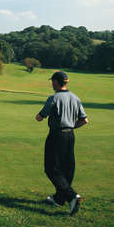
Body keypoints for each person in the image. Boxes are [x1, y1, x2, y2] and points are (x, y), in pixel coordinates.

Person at [35, 70, 89, 216]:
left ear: (56, 82)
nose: (51, 83)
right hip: (70, 135)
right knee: (67, 167)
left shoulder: (54, 98)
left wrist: (41, 115)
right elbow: (84, 120)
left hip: (56, 135)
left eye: (52, 81)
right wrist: (71, 127)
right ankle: (59, 199)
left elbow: (39, 117)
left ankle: (72, 196)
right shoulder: (75, 98)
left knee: (51, 168)